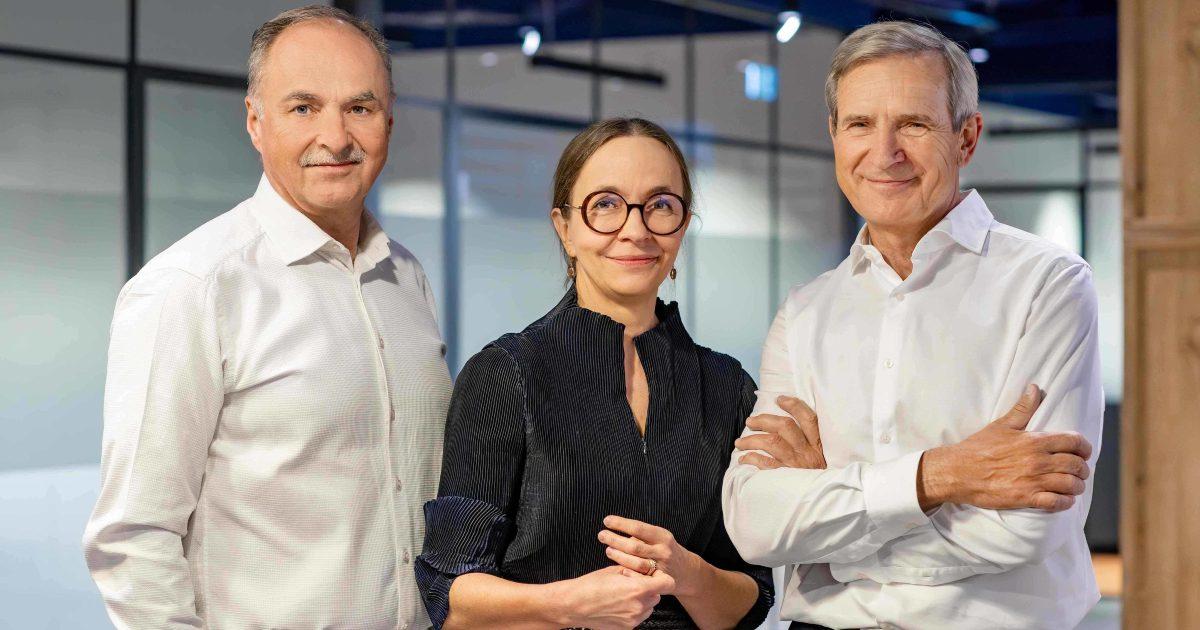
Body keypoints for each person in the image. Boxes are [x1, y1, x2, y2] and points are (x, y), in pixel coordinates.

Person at [722, 21, 1102, 630]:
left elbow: (1026, 527)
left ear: (966, 137)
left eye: (914, 124)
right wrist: (942, 475)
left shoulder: (1047, 285)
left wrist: (830, 532)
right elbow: (755, 525)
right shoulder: (806, 311)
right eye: (860, 124)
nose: (884, 152)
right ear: (834, 134)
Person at [82, 6, 452, 629]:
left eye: (359, 108)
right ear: (256, 122)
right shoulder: (193, 286)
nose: (335, 137)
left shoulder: (405, 278)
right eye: (303, 107)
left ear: (388, 121)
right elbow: (134, 538)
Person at [415, 118, 773, 629]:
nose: (636, 230)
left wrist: (688, 574)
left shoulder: (726, 386)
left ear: (682, 226)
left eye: (660, 205)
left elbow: (752, 598)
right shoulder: (507, 374)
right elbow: (450, 597)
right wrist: (570, 604)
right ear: (565, 228)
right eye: (605, 204)